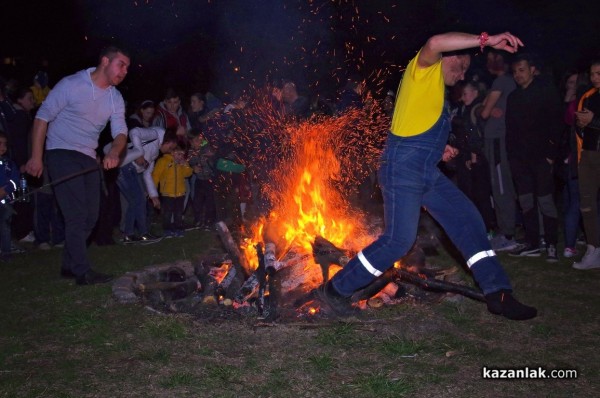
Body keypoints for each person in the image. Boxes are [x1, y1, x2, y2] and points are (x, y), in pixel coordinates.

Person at [319, 32, 537, 321]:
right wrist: (486, 41)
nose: (461, 78)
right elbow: (434, 43)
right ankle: (335, 290)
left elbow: (414, 130)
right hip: (403, 170)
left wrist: (440, 148)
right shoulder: (423, 70)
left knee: (467, 218)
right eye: (461, 69)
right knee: (399, 241)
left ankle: (497, 292)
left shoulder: (435, 94)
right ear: (453, 56)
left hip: (424, 171)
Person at [25, 45, 130, 285]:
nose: (124, 71)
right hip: (61, 152)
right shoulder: (72, 84)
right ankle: (82, 272)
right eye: (121, 64)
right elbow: (43, 116)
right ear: (105, 61)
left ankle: (69, 265)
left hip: (87, 156)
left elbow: (121, 132)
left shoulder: (115, 97)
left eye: (127, 68)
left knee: (91, 217)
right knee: (76, 215)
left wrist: (114, 152)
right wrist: (36, 157)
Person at [505, 54, 562, 261]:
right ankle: (532, 242)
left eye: (521, 70)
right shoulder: (513, 97)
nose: (518, 75)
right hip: (520, 160)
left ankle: (552, 243)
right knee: (527, 201)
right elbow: (509, 130)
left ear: (532, 69)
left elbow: (557, 123)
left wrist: (550, 154)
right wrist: (512, 157)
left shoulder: (546, 92)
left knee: (545, 200)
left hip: (541, 158)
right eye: (515, 71)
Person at [480, 50, 520, 252]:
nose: (487, 63)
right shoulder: (505, 82)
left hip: (497, 139)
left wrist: (485, 105)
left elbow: (485, 111)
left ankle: (508, 234)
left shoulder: (501, 82)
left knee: (501, 186)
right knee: (500, 186)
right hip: (498, 138)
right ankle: (506, 230)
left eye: (491, 59)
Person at [111, 126, 177, 244]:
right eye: (170, 147)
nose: (170, 151)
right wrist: (138, 153)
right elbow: (134, 131)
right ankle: (143, 234)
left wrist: (154, 196)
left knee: (135, 202)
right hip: (125, 166)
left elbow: (147, 174)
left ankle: (128, 235)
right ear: (167, 141)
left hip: (129, 170)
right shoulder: (156, 134)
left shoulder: (155, 153)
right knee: (139, 200)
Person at [573, 60, 600, 270]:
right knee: (587, 203)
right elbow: (579, 126)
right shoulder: (588, 96)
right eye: (592, 74)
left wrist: (594, 120)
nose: (594, 78)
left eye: (598, 73)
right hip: (588, 155)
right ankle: (593, 248)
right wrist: (581, 123)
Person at [152, 142, 193, 238]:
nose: (181, 156)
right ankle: (167, 229)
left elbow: (188, 173)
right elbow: (156, 175)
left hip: (180, 193)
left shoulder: (182, 163)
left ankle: (178, 228)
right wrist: (153, 190)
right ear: (172, 152)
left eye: (182, 154)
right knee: (167, 213)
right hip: (167, 193)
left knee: (179, 212)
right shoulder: (163, 161)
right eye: (179, 154)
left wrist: (184, 165)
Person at [0, 132, 20, 261]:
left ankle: (6, 252)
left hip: (5, 201)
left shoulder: (9, 164)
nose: (3, 146)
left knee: (4, 225)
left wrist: (5, 190)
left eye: (5, 144)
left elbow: (14, 180)